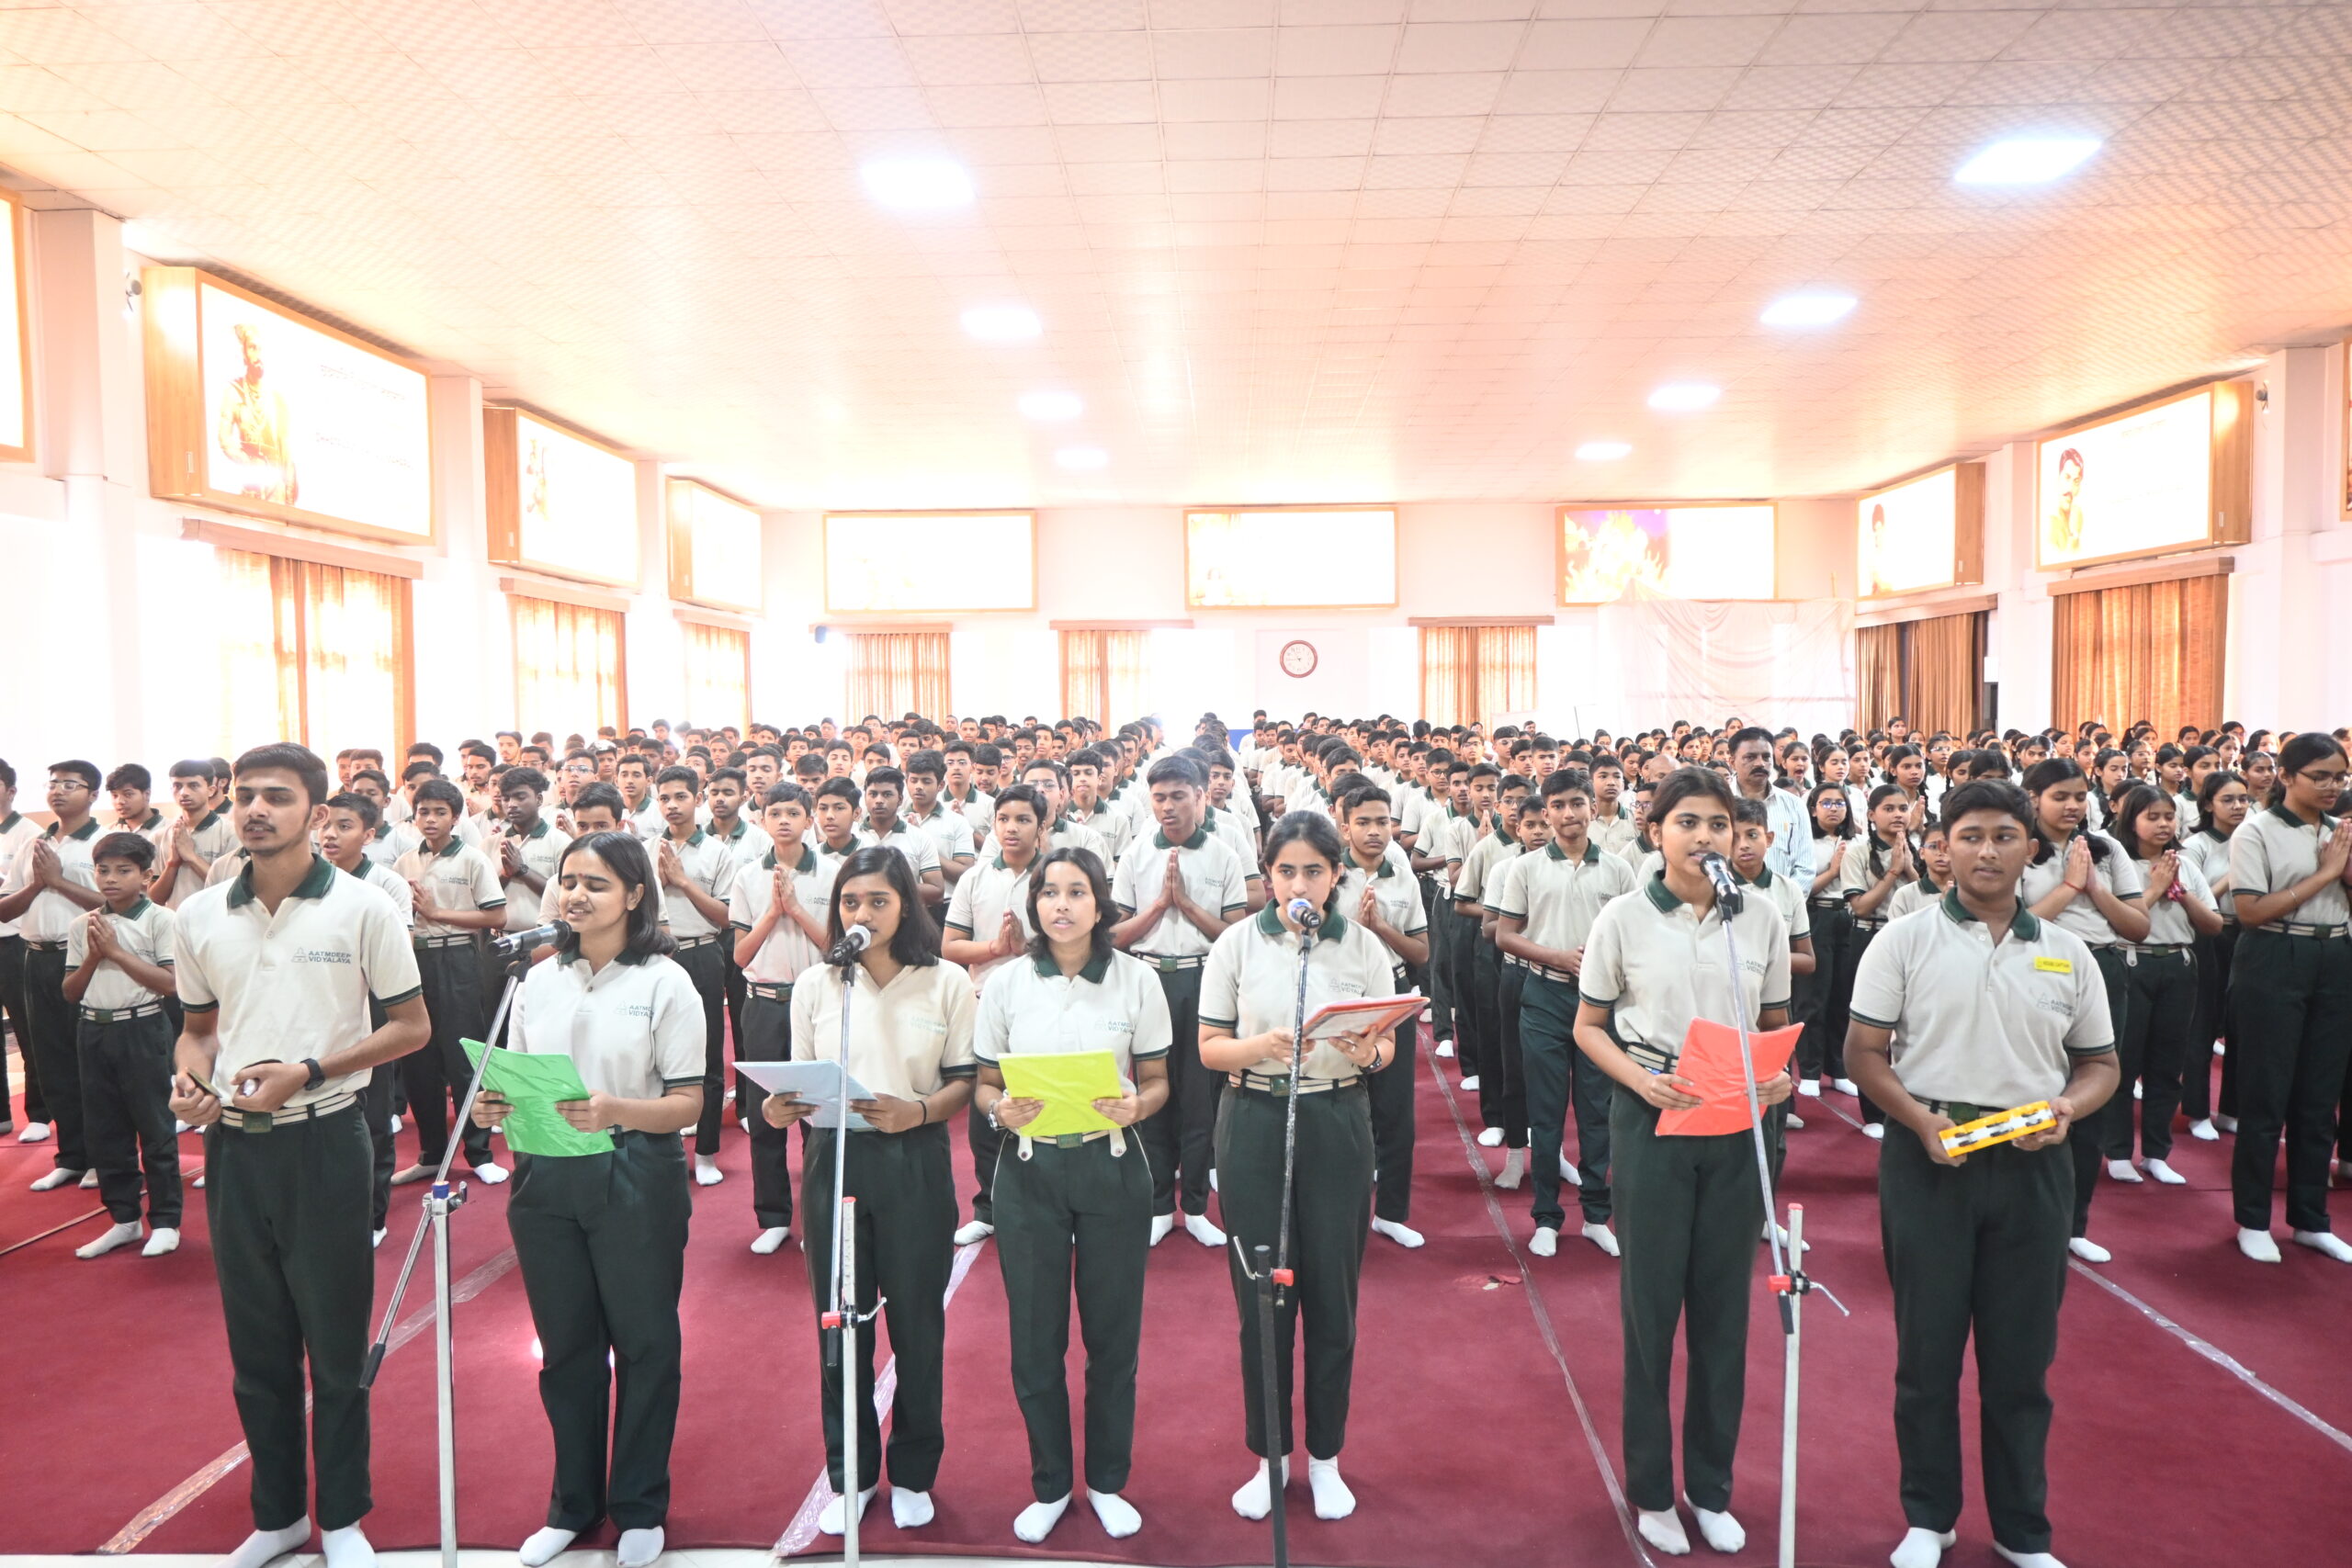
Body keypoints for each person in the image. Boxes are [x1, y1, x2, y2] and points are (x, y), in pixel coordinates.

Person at [1843, 779, 2119, 1568]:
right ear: (1944, 845)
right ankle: (1928, 1517)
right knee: (1926, 1353)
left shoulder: (2068, 952)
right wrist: (1919, 1119)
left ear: (2033, 848)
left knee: (2021, 1360)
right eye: (1970, 835)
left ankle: (2023, 1529)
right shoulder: (1904, 940)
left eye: (2005, 835)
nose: (1987, 850)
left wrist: (2067, 1108)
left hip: (2034, 1164)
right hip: (1930, 1154)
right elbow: (1864, 1053)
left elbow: (2100, 1063)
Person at [167, 743, 430, 1568]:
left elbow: (410, 1026)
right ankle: (277, 1513)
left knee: (336, 1342)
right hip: (234, 1150)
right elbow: (199, 1029)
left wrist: (310, 1071)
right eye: (243, 796)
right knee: (258, 1346)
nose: (254, 810)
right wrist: (189, 1082)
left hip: (325, 1138)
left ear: (315, 813)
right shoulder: (201, 914)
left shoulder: (362, 908)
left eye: (275, 797)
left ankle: (344, 1514)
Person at [1571, 766, 1792, 1557]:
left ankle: (1710, 1485)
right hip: (1652, 1116)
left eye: (1720, 824)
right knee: (1651, 1312)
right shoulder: (1624, 918)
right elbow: (1590, 1025)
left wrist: (1779, 1078)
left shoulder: (1758, 914)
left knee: (1724, 1314)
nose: (1705, 837)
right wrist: (1641, 1081)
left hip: (1738, 1122)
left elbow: (1774, 1021)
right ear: (1654, 830)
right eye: (1687, 822)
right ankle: (1654, 1490)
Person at [474, 831, 703, 1568]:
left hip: (635, 1168)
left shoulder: (666, 981)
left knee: (643, 1340)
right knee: (565, 1347)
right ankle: (573, 1503)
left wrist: (618, 1111)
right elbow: (511, 1076)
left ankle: (639, 1503)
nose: (574, 894)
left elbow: (691, 1102)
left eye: (596, 883)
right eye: (567, 880)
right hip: (544, 1173)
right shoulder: (535, 977)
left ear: (635, 895)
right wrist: (492, 1107)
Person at [763, 846, 976, 1534]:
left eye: (878, 901)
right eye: (850, 902)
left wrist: (918, 1110)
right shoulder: (818, 985)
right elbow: (792, 1080)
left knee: (917, 1323)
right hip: (834, 1160)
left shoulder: (944, 980)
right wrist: (778, 1108)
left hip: (913, 1156)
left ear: (907, 905)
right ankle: (849, 1472)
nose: (862, 913)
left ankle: (914, 1469)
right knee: (840, 1325)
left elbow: (963, 1080)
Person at [1198, 812, 1397, 1524]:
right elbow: (1210, 1047)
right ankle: (1270, 1457)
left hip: (1336, 1120)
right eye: (1286, 870)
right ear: (1268, 874)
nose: (1300, 882)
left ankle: (1327, 1457)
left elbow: (1386, 1047)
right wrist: (1261, 1045)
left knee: (1333, 1296)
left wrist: (1365, 1053)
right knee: (1263, 1296)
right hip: (1253, 1118)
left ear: (1337, 874)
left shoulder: (1363, 946)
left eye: (1314, 869)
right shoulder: (1236, 943)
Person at [971, 847, 1170, 1545]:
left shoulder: (1136, 981)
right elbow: (985, 1083)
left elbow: (1157, 1079)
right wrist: (1000, 1112)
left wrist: (1135, 1107)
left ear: (1100, 902)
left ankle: (1108, 1478)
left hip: (1113, 1169)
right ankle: (1051, 1481)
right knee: (1035, 1339)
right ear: (1033, 906)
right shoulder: (1005, 984)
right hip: (1028, 1174)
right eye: (1048, 892)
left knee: (1113, 1338)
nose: (1061, 904)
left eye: (1076, 891)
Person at [1492, 768, 1636, 1259]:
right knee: (1547, 1112)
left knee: (1598, 1112)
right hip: (1544, 996)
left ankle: (1597, 1214)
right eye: (1559, 806)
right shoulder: (1526, 868)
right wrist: (1555, 957)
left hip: (1599, 1005)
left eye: (1578, 803)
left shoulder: (1618, 869)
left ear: (1592, 808)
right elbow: (1504, 935)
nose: (1569, 814)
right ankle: (1547, 1217)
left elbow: (1631, 938)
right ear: (1545, 813)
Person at [1110, 752, 1251, 1247]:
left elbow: (1235, 934)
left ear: (1200, 795)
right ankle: (1155, 1206)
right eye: (1159, 797)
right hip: (1147, 981)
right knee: (1150, 1093)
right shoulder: (1134, 854)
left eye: (1177, 796)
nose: (1167, 807)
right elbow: (1115, 935)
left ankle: (1193, 1205)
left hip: (1204, 980)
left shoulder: (1224, 854)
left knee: (1197, 1098)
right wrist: (1159, 906)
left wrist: (1187, 904)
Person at [2224, 732, 2352, 1264]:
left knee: (2319, 1098)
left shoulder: (2339, 830)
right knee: (2265, 1094)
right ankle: (2253, 1219)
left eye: (2339, 777)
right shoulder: (2257, 831)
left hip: (2336, 955)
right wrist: (2324, 874)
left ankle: (2310, 1219)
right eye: (2319, 776)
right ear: (2287, 775)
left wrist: (2343, 874)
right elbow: (2250, 912)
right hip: (2275, 957)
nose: (2331, 786)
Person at [2017, 758, 2147, 1265]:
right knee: (2036, 1087)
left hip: (2103, 969)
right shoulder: (2019, 847)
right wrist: (2068, 888)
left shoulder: (2107, 849)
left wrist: (2094, 887)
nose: (2072, 806)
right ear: (2033, 797)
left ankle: (2074, 1222)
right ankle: (2027, 1215)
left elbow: (2137, 926)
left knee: (2091, 1093)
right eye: (2060, 796)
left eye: (2079, 796)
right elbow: (2014, 924)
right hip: (2037, 972)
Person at [729, 783, 838, 1255]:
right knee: (766, 1111)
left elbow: (837, 947)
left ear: (809, 818)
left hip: (817, 1005)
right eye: (776, 813)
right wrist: (773, 913)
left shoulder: (832, 873)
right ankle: (773, 1216)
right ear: (763, 820)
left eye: (794, 812)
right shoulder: (748, 877)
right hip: (764, 1004)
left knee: (818, 1114)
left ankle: (822, 1214)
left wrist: (795, 907)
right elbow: (739, 955)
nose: (785, 820)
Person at [62, 830, 182, 1257]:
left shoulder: (160, 920)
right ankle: (124, 1218)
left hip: (142, 1028)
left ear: (146, 875)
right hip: (93, 1030)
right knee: (106, 1130)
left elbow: (170, 984)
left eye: (123, 870)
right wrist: (95, 955)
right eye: (103, 869)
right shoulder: (83, 925)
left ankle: (166, 1219)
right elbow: (71, 992)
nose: (110, 878)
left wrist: (114, 952)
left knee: (154, 1127)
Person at [940, 783, 1051, 1246]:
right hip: (983, 1003)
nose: (1011, 828)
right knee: (986, 1108)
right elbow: (949, 946)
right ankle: (988, 1206)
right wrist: (995, 948)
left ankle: (1046, 1205)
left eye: (1023, 819)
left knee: (1039, 1107)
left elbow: (1074, 943)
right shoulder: (976, 878)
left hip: (1041, 1004)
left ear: (1042, 827)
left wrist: (1026, 948)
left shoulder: (1054, 876)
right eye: (1004, 819)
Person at [391, 777, 508, 1185]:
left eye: (440, 812)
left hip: (459, 958)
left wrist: (439, 914)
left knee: (463, 1059)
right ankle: (431, 1153)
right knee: (419, 1061)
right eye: (424, 811)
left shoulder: (472, 859)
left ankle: (479, 1153)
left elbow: (496, 917)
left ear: (456, 817)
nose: (431, 819)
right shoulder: (405, 862)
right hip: (414, 961)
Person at [2104, 785, 2221, 1186]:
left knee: (2168, 1066)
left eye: (2168, 816)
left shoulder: (2185, 864)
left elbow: (2214, 924)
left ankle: (2156, 1153)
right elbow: (2119, 923)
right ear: (2130, 820)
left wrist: (2182, 894)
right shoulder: (2119, 865)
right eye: (2152, 817)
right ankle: (2118, 1151)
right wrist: (2155, 888)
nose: (2163, 824)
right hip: (2131, 964)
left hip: (2180, 965)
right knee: (2124, 1063)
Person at [0, 760, 108, 1186]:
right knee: (51, 1060)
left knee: (90, 1060)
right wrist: (40, 883)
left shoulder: (104, 841)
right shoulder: (36, 846)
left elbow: (116, 904)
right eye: (53, 784)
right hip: (34, 955)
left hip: (83, 957)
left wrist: (59, 882)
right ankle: (72, 1156)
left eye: (70, 784)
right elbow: (6, 907)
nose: (58, 791)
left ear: (93, 794)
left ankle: (105, 1156)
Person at [1333, 780, 1430, 1248]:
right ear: (1345, 825)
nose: (1375, 831)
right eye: (1364, 822)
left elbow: (1421, 953)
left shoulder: (1402, 872)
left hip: (1391, 995)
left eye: (1383, 822)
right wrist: (1355, 931)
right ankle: (1342, 1211)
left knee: (1396, 1110)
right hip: (1342, 996)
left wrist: (1382, 929)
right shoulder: (1330, 873)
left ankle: (1391, 1212)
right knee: (1344, 1106)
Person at [318, 791, 413, 1245]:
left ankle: (374, 1215)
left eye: (345, 826)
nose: (330, 835)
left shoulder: (386, 885)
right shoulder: (308, 883)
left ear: (369, 835)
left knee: (373, 1112)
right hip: (324, 1003)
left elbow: (398, 954)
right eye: (326, 825)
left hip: (374, 1001)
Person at [648, 765, 739, 1189]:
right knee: (654, 1056)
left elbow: (726, 918)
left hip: (702, 955)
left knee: (706, 1058)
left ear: (696, 799)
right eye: (664, 798)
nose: (672, 805)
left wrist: (682, 882)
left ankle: (705, 1153)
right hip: (654, 959)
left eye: (680, 797)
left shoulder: (718, 853)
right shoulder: (645, 850)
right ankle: (659, 1145)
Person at [2178, 768, 2250, 1139]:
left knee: (2241, 1026)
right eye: (2228, 799)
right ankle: (2196, 1110)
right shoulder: (2198, 845)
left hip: (2249, 933)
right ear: (2208, 804)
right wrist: (2236, 868)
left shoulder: (2253, 838)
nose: (2238, 806)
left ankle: (2231, 1109)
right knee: (2203, 1024)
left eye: (2243, 799)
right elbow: (2198, 896)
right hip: (2209, 936)